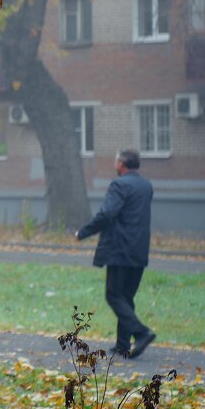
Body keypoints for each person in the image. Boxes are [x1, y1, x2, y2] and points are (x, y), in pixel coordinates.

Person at [75, 148, 156, 358]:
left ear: (121, 164)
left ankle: (141, 332)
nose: (114, 164)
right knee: (126, 297)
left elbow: (107, 213)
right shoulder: (146, 186)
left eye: (115, 161)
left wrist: (83, 232)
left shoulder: (119, 184)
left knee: (113, 294)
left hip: (120, 249)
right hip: (139, 250)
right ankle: (122, 345)